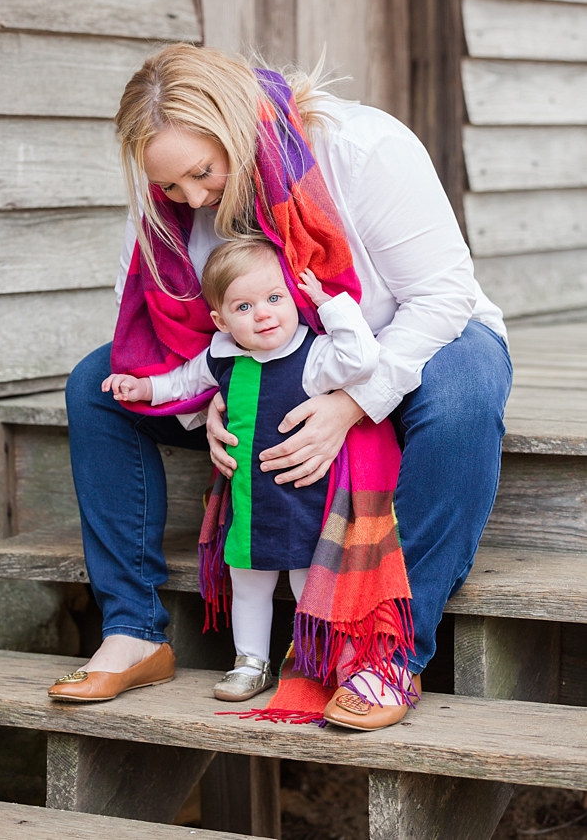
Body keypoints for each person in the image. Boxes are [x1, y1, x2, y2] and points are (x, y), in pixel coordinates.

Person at [48, 43, 512, 731]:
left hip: (397, 344)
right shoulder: (167, 196)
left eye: (204, 175)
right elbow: (153, 327)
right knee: (96, 383)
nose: (194, 200)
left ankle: (387, 651)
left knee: (466, 388)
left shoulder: (363, 147)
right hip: (257, 366)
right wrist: (219, 395)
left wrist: (351, 404)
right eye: (174, 188)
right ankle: (134, 626)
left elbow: (440, 298)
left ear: (237, 124)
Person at [102, 237, 381, 702]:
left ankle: (316, 662)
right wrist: (142, 387)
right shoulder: (224, 357)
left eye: (274, 299)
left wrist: (329, 305)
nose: (264, 314)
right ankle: (251, 662)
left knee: (306, 584)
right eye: (244, 306)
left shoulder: (312, 356)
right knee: (247, 583)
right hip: (250, 502)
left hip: (304, 498)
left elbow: (362, 358)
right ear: (221, 321)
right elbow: (181, 382)